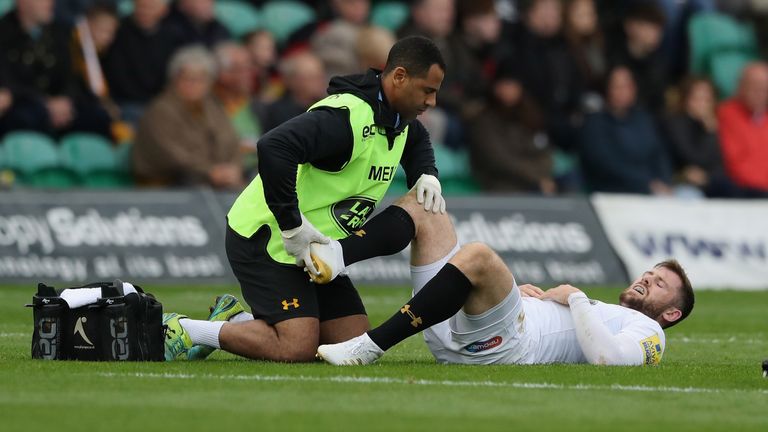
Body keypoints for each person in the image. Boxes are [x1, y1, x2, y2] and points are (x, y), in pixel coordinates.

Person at [162, 36, 449, 363]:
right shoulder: (347, 118)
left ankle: (234, 320)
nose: (433, 101)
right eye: (428, 90)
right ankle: (187, 329)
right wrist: (292, 226)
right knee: (295, 347)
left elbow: (416, 140)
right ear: (399, 77)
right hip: (268, 236)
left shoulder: (399, 119)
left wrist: (426, 173)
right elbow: (273, 147)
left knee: (350, 345)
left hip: (319, 250)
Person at [316, 239, 695, 366]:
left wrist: (575, 298)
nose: (647, 277)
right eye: (649, 272)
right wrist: (525, 297)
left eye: (660, 283)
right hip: (474, 327)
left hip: (507, 346)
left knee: (478, 255)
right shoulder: (603, 309)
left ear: (671, 313)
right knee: (427, 208)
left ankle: (371, 345)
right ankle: (335, 256)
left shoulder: (650, 332)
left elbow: (608, 358)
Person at [132, 45, 243, 188]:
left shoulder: (213, 107)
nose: (194, 85)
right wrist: (209, 171)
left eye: (201, 79)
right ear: (175, 79)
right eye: (188, 79)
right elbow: (170, 154)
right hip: (171, 185)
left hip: (212, 181)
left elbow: (232, 140)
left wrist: (233, 168)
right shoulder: (161, 110)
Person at [579, 65, 673, 194]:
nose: (623, 91)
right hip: (612, 192)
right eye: (617, 86)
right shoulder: (594, 124)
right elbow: (605, 164)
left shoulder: (644, 120)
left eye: (627, 86)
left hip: (651, 191)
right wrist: (646, 183)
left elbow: (659, 154)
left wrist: (664, 180)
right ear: (607, 89)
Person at [716, 62, 768, 197]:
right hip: (745, 191)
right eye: (754, 88)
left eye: (764, 89)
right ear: (741, 87)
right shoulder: (727, 114)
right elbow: (734, 163)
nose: (760, 94)